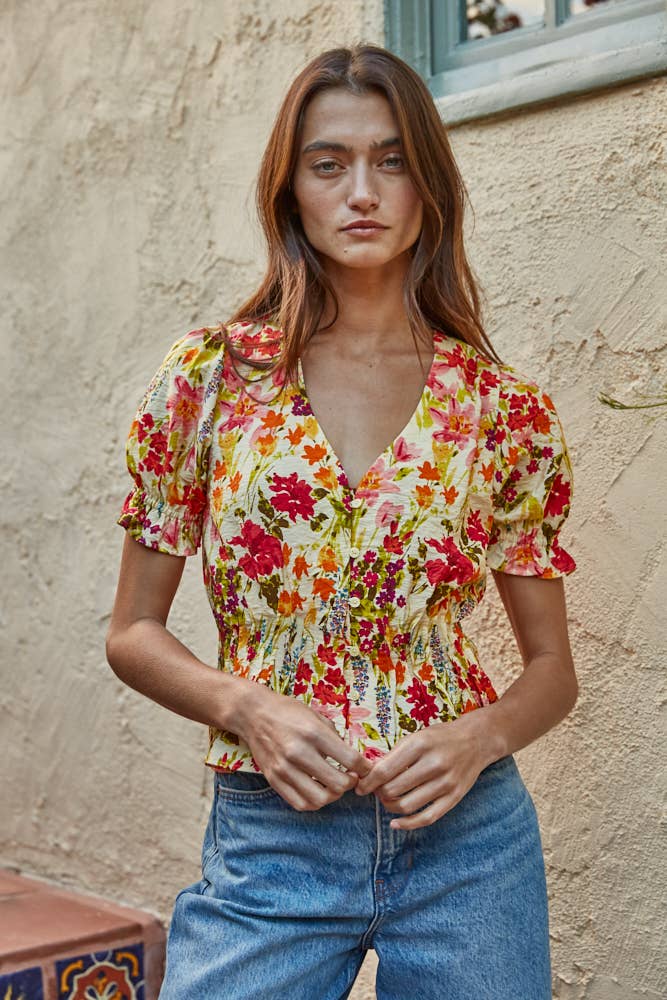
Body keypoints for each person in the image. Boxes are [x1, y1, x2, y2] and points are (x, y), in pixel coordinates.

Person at [106, 43, 578, 1000]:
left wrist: (479, 736)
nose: (362, 190)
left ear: (427, 187)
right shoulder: (209, 381)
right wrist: (242, 706)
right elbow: (131, 634)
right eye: (329, 164)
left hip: (466, 847)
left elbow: (550, 674)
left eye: (392, 159)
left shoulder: (503, 409)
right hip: (271, 837)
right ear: (292, 191)